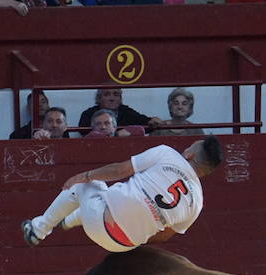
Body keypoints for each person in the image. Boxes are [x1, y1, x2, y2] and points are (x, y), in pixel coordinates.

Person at [21, 135, 222, 252]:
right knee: (104, 197)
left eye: (189, 147)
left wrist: (84, 175)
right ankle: (72, 219)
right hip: (123, 245)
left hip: (102, 221)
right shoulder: (197, 203)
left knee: (86, 185)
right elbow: (163, 237)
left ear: (190, 154)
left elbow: (120, 171)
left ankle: (38, 230)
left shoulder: (168, 154)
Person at [77, 88, 162, 136]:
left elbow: (144, 122)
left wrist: (152, 120)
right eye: (107, 94)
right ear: (99, 98)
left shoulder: (125, 111)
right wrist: (116, 135)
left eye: (116, 94)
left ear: (120, 99)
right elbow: (83, 131)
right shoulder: (88, 114)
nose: (112, 98)